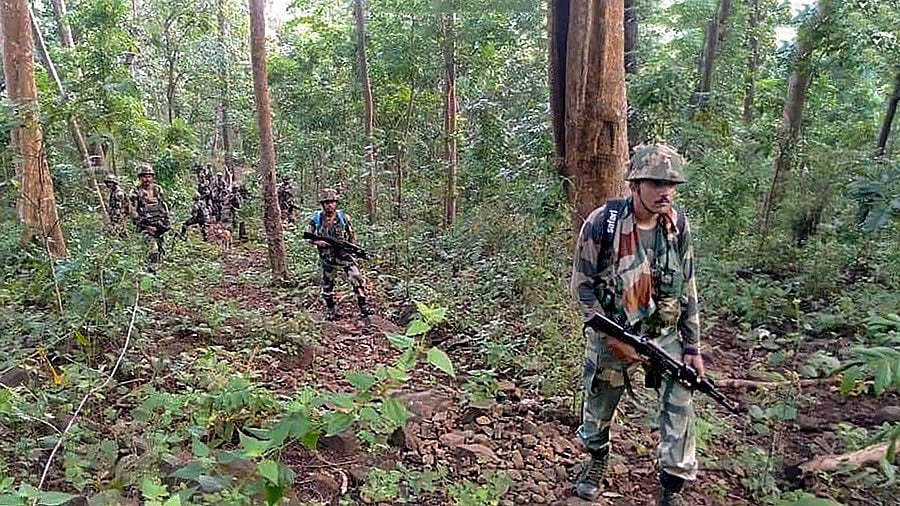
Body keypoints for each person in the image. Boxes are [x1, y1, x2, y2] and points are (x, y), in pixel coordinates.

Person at [570, 143, 705, 506]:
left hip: (664, 335)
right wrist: (611, 339)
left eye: (672, 185)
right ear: (635, 185)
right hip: (613, 331)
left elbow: (688, 286)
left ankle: (671, 486)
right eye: (656, 183)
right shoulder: (603, 223)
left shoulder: (677, 226)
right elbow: (582, 289)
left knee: (681, 404)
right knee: (598, 407)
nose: (666, 192)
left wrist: (692, 347)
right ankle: (597, 459)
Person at [305, 188, 373, 320]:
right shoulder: (316, 219)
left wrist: (351, 249)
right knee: (328, 284)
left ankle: (363, 305)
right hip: (327, 257)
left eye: (332, 202)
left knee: (356, 278)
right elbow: (308, 236)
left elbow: (352, 236)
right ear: (323, 204)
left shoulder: (344, 218)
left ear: (336, 203)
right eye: (326, 202)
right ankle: (330, 309)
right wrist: (318, 242)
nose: (329, 205)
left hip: (344, 255)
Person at [130, 163, 171, 264]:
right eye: (144, 176)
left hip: (159, 225)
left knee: (162, 251)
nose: (147, 179)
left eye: (149, 176)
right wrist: (145, 226)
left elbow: (164, 206)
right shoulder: (135, 191)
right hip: (146, 227)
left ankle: (157, 274)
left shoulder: (157, 189)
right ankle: (151, 271)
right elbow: (132, 212)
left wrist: (167, 221)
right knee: (153, 250)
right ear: (140, 178)